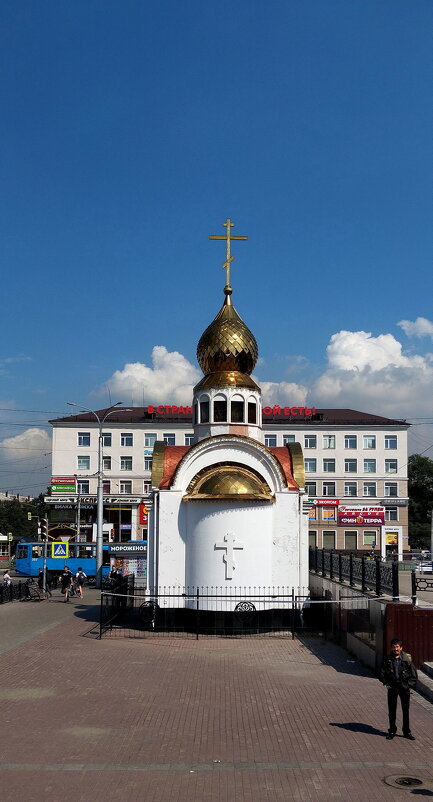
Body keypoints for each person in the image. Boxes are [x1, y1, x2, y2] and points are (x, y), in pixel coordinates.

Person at [380, 637, 417, 740]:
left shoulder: (407, 659)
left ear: (401, 648)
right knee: (392, 711)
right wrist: (387, 683)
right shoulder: (387, 659)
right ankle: (392, 731)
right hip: (392, 688)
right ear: (391, 648)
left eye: (397, 647)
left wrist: (408, 685)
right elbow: (381, 674)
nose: (395, 649)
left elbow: (414, 676)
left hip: (404, 688)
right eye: (394, 647)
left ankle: (406, 732)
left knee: (406, 711)